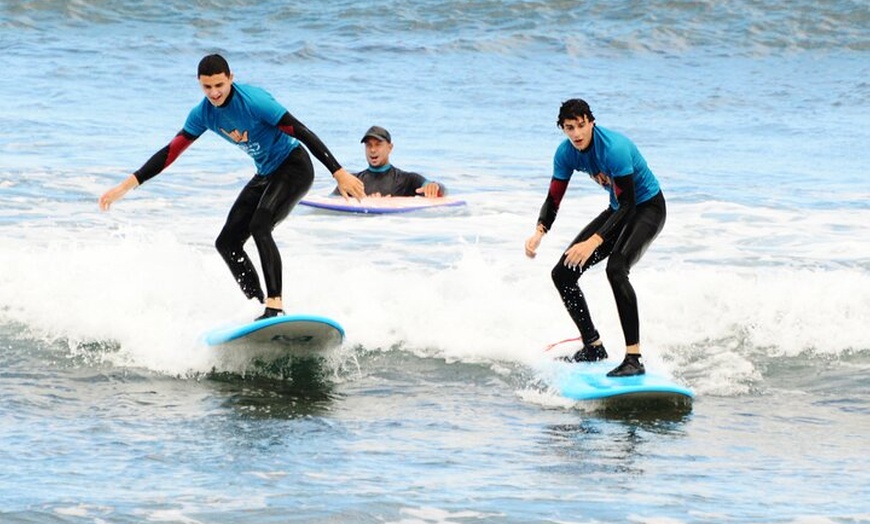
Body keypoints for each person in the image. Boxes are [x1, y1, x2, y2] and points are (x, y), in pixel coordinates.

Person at [99, 54, 365, 320]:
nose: (214, 93)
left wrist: (338, 173)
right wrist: (126, 186)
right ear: (199, 84)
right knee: (227, 243)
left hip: (294, 166)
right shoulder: (202, 114)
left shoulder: (254, 101)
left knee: (260, 225)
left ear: (230, 79)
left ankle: (274, 305)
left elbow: (301, 130)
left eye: (219, 85)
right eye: (207, 87)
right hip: (266, 173)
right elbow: (170, 153)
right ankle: (258, 307)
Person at [524, 99, 666, 377]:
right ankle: (593, 347)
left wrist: (594, 241)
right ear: (562, 128)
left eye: (581, 125)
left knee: (616, 268)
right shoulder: (565, 154)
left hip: (648, 208)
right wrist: (539, 231)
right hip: (618, 210)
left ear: (591, 122)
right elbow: (554, 198)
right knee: (562, 274)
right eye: (569, 128)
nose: (576, 134)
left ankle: (634, 359)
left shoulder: (614, 149)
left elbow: (629, 205)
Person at [332, 125, 445, 198]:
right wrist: (368, 203)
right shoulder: (354, 181)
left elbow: (440, 190)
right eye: (368, 145)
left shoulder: (407, 179)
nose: (372, 150)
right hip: (361, 230)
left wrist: (434, 187)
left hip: (392, 231)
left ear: (390, 147)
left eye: (378, 144)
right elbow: (329, 202)